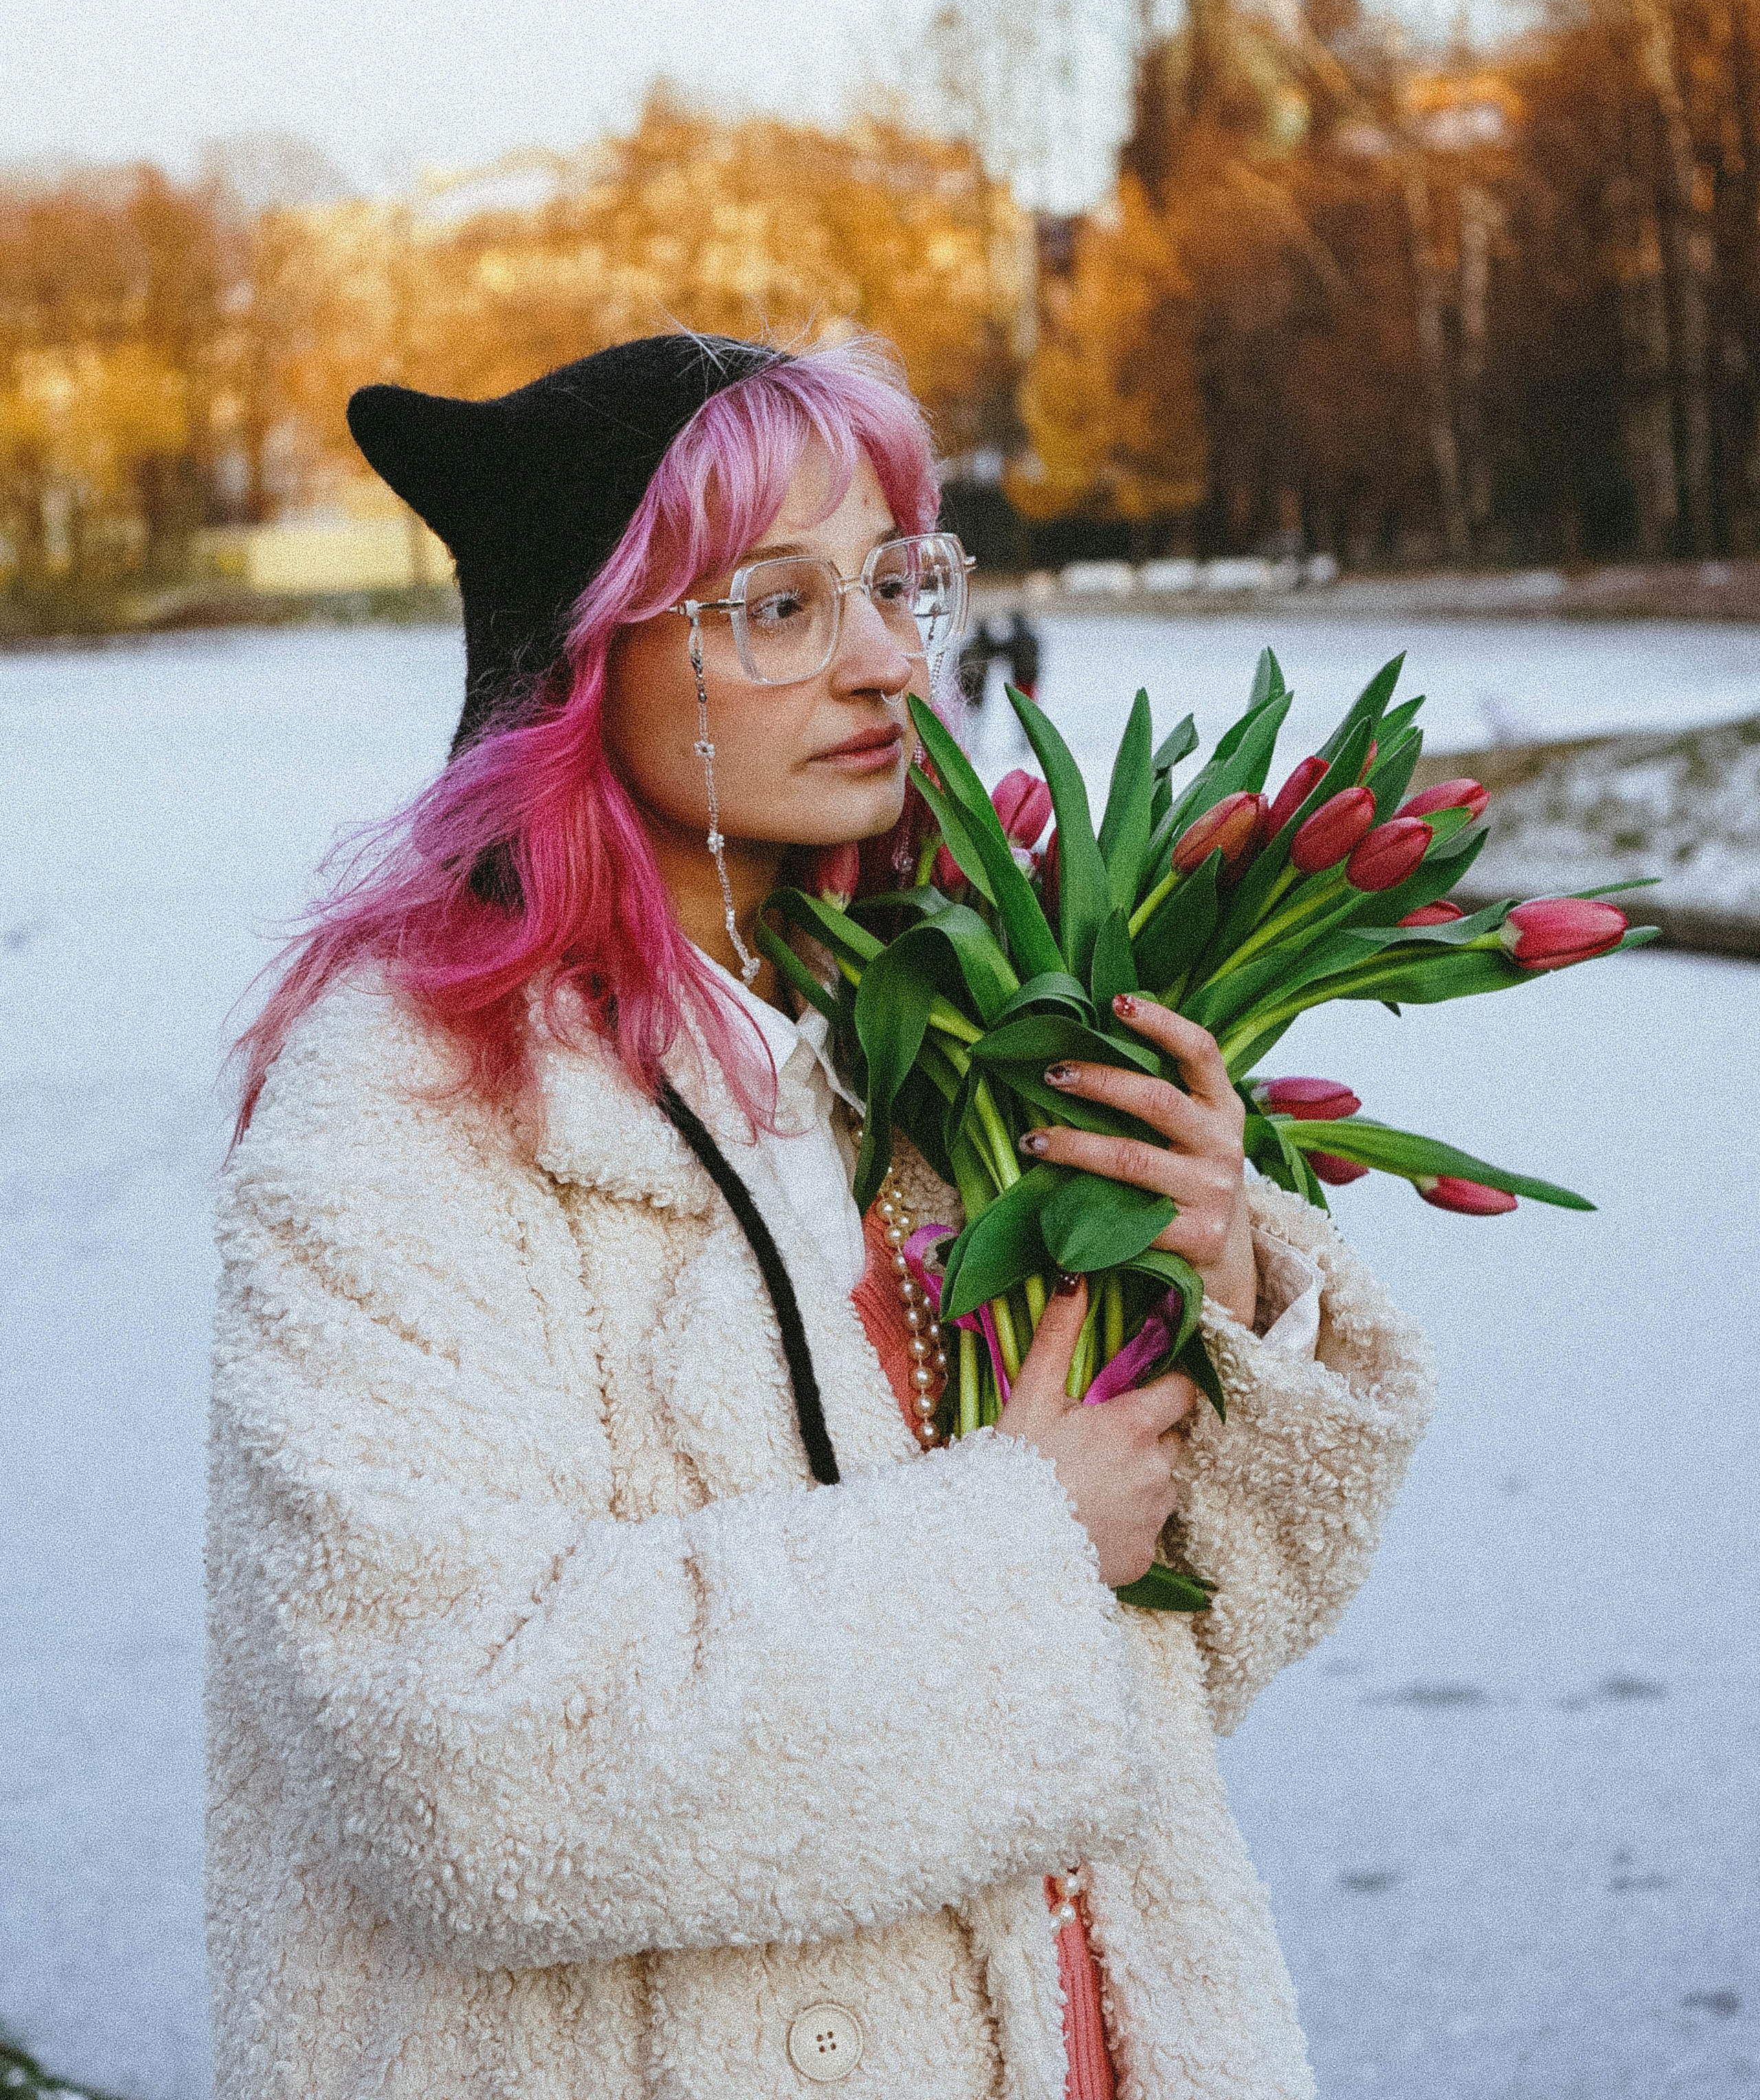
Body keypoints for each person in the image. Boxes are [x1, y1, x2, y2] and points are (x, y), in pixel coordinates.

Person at [209, 329, 1435, 2100]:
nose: (883, 662)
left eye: (892, 581)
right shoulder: (408, 1112)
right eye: (777, 607)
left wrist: (1215, 1289)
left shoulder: (920, 1039)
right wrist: (1016, 1536)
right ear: (580, 658)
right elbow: (455, 1761)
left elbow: (1164, 1664)